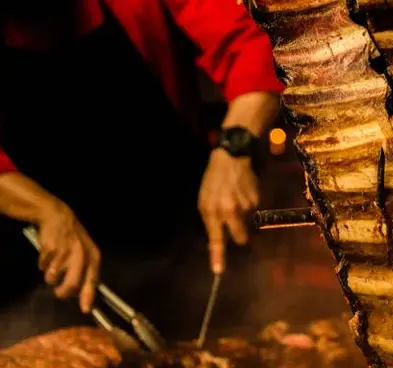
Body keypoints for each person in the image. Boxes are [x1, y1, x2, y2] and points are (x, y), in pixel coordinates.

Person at [0, 0, 283, 342]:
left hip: (187, 249)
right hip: (56, 284)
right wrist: (45, 211)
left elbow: (256, 46)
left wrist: (233, 149)